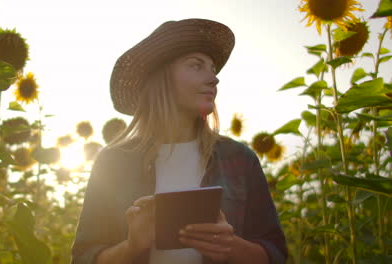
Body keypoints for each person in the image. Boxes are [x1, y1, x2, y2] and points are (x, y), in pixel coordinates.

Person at [71, 18, 288, 264]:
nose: (214, 79)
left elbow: (276, 254)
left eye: (213, 69)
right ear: (161, 78)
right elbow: (82, 257)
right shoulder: (113, 162)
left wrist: (232, 247)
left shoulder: (239, 158)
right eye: (196, 66)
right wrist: (131, 248)